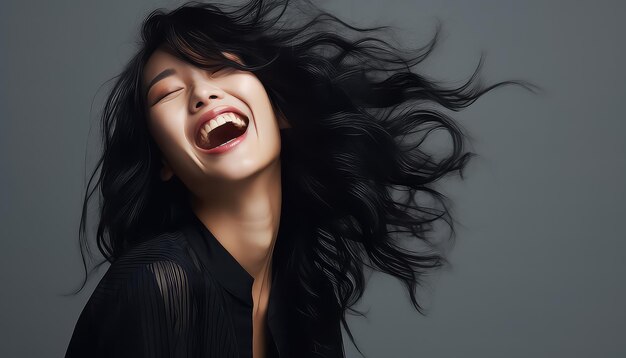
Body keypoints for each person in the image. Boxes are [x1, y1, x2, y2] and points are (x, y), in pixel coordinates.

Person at [63, 0, 536, 357]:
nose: (202, 93)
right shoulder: (158, 283)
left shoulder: (307, 296)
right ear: (164, 160)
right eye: (167, 92)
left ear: (281, 111)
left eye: (221, 66)